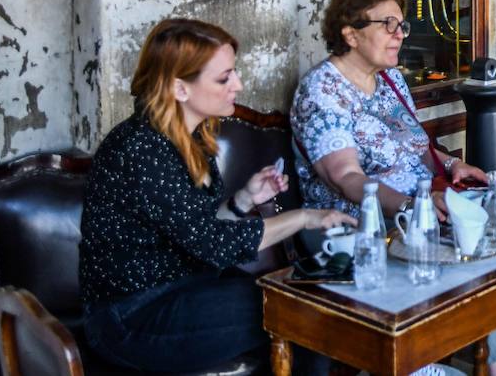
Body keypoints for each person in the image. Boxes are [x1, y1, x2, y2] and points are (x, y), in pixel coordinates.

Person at [79, 19, 355, 372]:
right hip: (131, 318)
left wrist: (242, 201)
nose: (238, 85)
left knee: (304, 301)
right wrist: (304, 216)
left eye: (234, 73)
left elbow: (197, 230)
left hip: (184, 288)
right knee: (301, 311)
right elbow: (212, 243)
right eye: (224, 78)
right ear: (179, 88)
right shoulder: (141, 149)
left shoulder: (191, 135)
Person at [291, 0, 496, 376]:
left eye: (401, 25)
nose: (400, 35)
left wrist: (452, 165)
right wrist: (413, 206)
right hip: (360, 226)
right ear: (350, 33)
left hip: (418, 209)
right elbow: (346, 179)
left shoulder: (390, 79)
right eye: (388, 25)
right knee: (473, 254)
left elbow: (413, 145)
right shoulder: (321, 92)